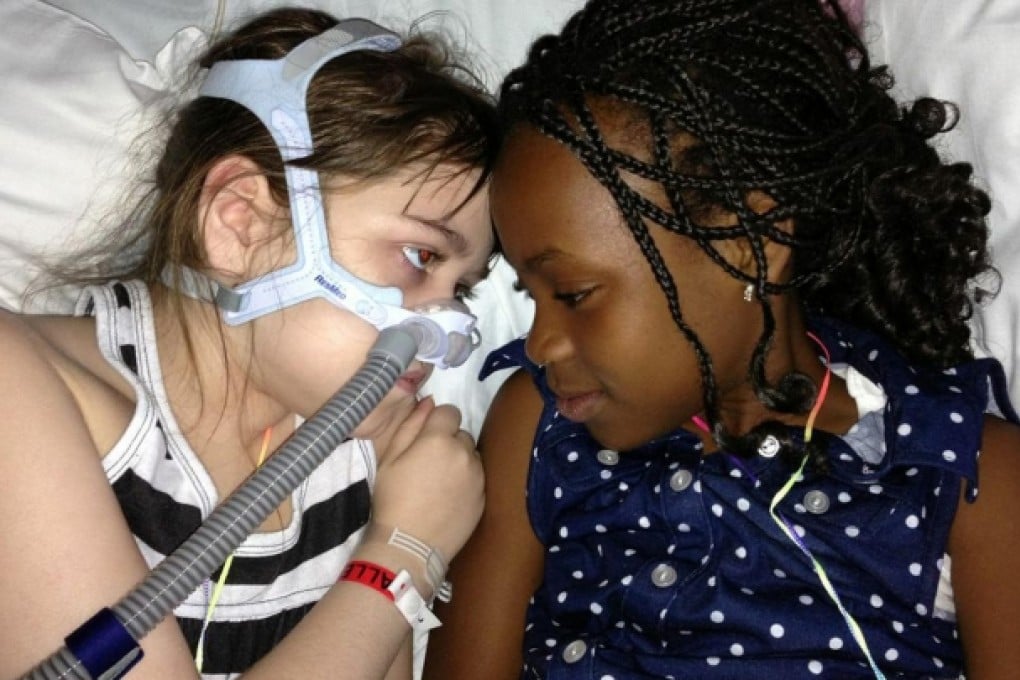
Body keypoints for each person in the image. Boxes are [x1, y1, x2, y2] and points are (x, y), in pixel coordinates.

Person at [424, 0, 1020, 678]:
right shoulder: (539, 429)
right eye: (531, 299)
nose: (540, 344)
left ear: (753, 244)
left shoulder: (960, 471)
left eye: (574, 295)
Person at [0, 7, 499, 679]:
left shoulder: (369, 465)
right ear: (240, 225)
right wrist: (403, 557)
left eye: (462, 287)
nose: (450, 331)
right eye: (420, 255)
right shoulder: (21, 390)